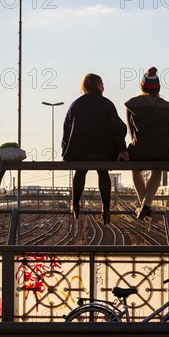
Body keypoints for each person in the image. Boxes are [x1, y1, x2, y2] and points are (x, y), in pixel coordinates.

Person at [62, 73, 128, 224]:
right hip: (103, 152)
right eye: (102, 84)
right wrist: (121, 149)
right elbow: (118, 129)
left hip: (79, 152)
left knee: (80, 172)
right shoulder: (107, 104)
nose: (104, 87)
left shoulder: (75, 105)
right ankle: (106, 208)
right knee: (103, 173)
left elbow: (66, 129)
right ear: (98, 85)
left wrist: (66, 151)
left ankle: (75, 204)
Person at [125, 67, 169, 220]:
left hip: (139, 149)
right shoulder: (167, 108)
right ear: (158, 87)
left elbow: (130, 132)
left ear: (142, 86)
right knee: (157, 171)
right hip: (161, 150)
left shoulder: (132, 106)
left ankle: (143, 205)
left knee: (135, 169)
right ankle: (145, 206)